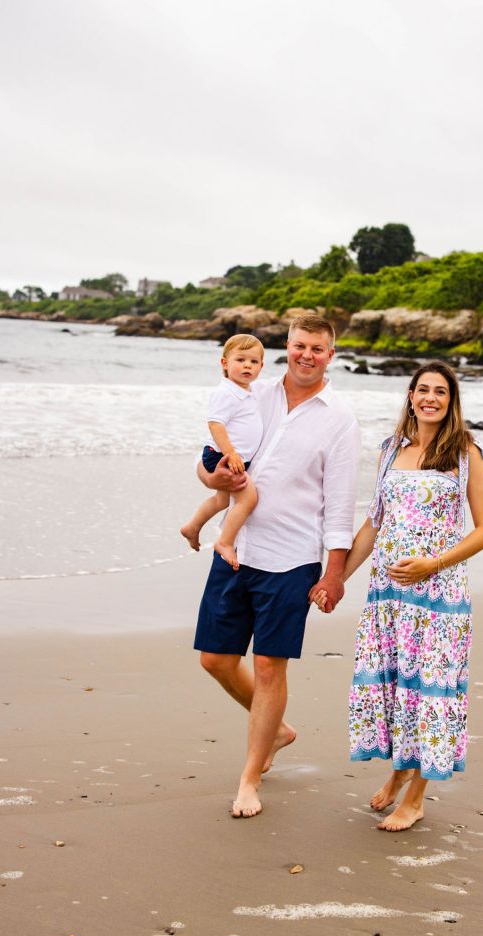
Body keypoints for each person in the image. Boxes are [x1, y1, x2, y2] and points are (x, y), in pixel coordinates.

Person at [316, 360, 483, 832]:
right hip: (389, 595)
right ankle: (399, 770)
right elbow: (374, 523)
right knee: (398, 688)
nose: (430, 398)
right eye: (423, 390)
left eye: (440, 391)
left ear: (451, 401)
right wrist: (336, 579)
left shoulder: (465, 452)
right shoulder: (391, 448)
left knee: (431, 690)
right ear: (411, 396)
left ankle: (416, 798)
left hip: (437, 595)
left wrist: (432, 564)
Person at [194, 314, 361, 818]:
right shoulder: (252, 394)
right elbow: (207, 463)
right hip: (238, 547)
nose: (306, 355)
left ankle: (249, 778)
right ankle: (278, 730)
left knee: (269, 666)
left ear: (331, 355)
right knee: (215, 660)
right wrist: (212, 476)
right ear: (286, 347)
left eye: (317, 348)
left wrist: (334, 574)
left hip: (293, 558)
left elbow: (340, 505)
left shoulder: (340, 419)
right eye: (298, 345)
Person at [180, 334, 264, 570]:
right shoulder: (226, 393)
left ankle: (192, 527)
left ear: (261, 366)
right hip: (224, 456)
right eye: (240, 360)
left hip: (230, 457)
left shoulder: (247, 391)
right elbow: (215, 424)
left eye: (254, 362)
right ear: (224, 363)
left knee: (221, 500)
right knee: (248, 499)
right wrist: (232, 453)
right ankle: (225, 542)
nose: (247, 366)